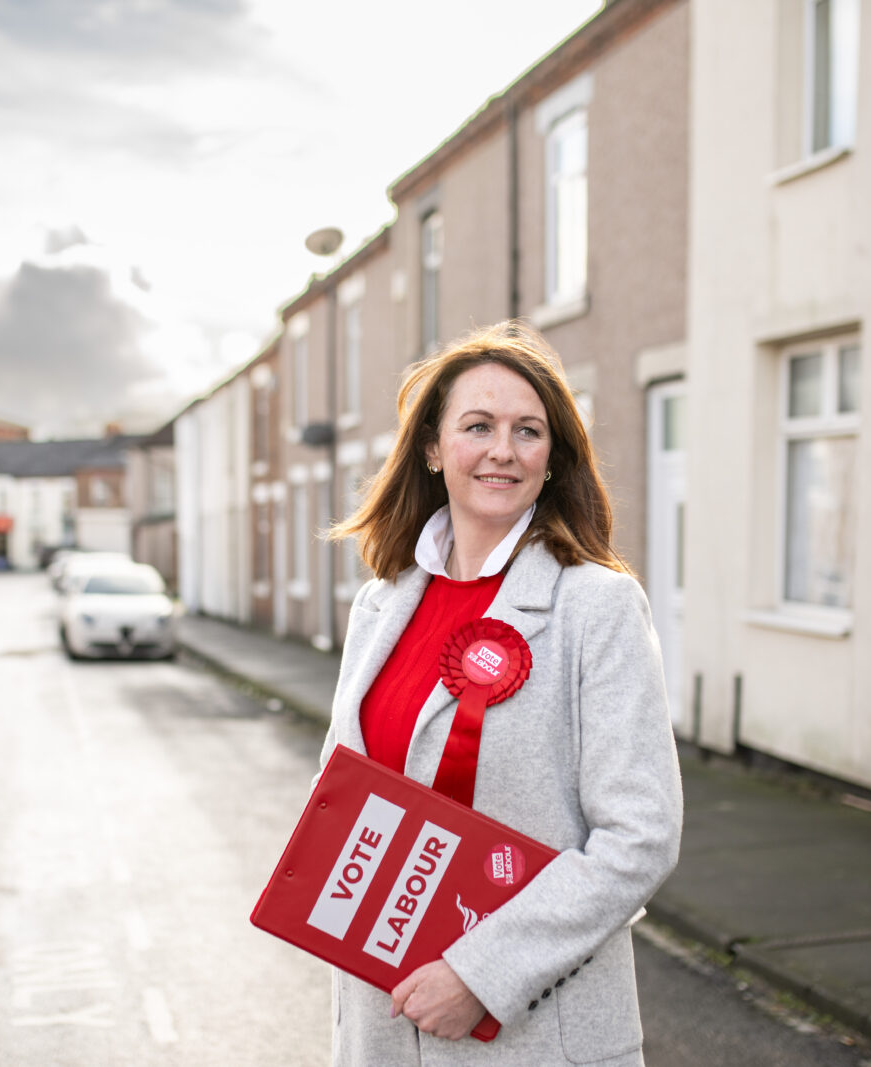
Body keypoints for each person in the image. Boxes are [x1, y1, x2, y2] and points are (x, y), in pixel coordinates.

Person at [321, 321, 683, 1065]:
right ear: (431, 447)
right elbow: (344, 800)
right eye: (477, 425)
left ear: (552, 459)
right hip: (381, 1025)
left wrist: (480, 974)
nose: (502, 450)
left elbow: (638, 837)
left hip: (535, 1036)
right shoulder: (379, 606)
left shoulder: (598, 607)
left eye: (528, 431)